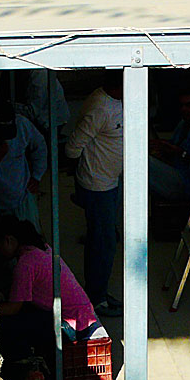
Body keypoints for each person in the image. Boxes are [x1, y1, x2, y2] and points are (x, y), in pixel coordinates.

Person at [0, 215, 105, 376]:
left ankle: (26, 367)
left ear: (8, 240)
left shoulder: (26, 263)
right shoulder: (42, 249)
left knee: (6, 326)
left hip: (71, 326)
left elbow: (13, 308)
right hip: (82, 315)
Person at [65, 71, 124, 317]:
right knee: (103, 244)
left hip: (111, 181)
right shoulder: (100, 108)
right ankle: (96, 298)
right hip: (97, 185)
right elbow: (72, 148)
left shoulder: (116, 101)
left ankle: (97, 292)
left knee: (103, 239)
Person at [0, 98, 47, 233]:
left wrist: (37, 176)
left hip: (21, 201)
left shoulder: (22, 125)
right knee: (1, 249)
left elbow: (40, 146)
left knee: (31, 244)